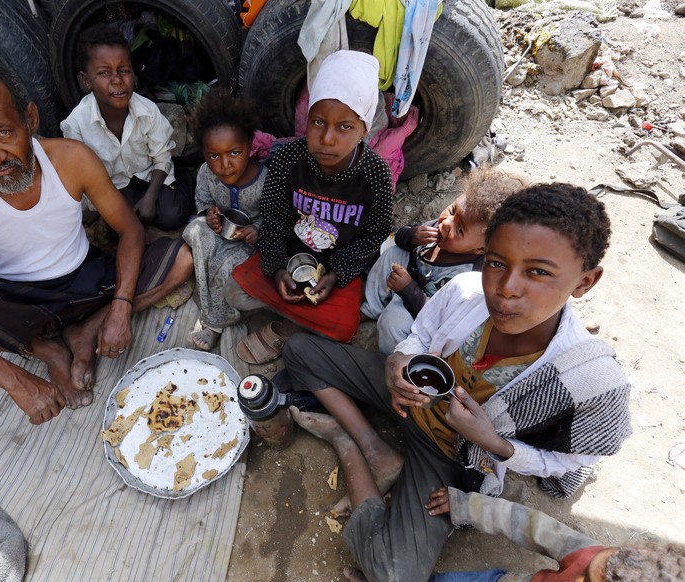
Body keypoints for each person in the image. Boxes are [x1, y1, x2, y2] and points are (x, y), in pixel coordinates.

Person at [283, 184, 632, 581]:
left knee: (394, 575)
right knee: (299, 351)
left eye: (538, 272)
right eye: (498, 263)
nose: (506, 288)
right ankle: (367, 444)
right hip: (412, 400)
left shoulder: (591, 379)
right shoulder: (466, 290)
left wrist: (493, 443)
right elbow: (421, 334)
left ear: (585, 282)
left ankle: (348, 445)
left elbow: (571, 464)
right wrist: (398, 361)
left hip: (449, 454)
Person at [0, 57, 193, 425]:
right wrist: (17, 382)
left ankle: (88, 328)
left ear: (30, 119)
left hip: (87, 280)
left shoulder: (71, 159)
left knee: (180, 260)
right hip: (15, 301)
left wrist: (120, 306)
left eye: (3, 132)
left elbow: (130, 230)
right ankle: (44, 349)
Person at [226, 50, 394, 364]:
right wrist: (276, 269)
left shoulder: (376, 174)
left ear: (364, 130)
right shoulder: (289, 159)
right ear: (307, 119)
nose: (327, 138)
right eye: (318, 122)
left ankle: (287, 328)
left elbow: (374, 236)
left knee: (344, 327)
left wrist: (336, 273)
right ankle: (300, 316)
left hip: (335, 266)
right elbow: (274, 219)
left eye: (344, 127)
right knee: (235, 292)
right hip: (292, 258)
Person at [362, 166, 528, 355]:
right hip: (405, 280)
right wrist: (412, 235)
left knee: (392, 322)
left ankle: (396, 364)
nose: (447, 224)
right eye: (452, 210)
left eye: (460, 230)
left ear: (481, 249)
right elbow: (401, 238)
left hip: (419, 308)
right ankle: (370, 309)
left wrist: (407, 289)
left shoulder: (467, 275)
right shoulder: (438, 227)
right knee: (393, 253)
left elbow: (438, 314)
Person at [60, 25, 192, 230]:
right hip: (116, 186)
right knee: (119, 228)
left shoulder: (147, 111)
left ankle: (184, 177)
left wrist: (150, 197)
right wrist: (95, 208)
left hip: (150, 175)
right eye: (104, 73)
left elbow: (161, 158)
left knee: (171, 216)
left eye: (124, 71)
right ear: (87, 80)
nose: (117, 81)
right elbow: (82, 175)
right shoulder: (75, 125)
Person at [423, 486, 685, 581]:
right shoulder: (590, 556)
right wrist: (467, 506)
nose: (578, 579)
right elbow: (528, 524)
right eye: (590, 574)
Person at [181, 89, 267, 351]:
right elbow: (203, 203)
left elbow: (275, 218)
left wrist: (257, 230)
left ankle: (215, 324)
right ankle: (209, 301)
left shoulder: (265, 178)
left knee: (228, 262)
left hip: (248, 246)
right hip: (219, 235)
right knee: (195, 230)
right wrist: (209, 216)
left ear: (249, 146)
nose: (224, 165)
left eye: (234, 153)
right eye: (214, 156)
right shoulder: (207, 173)